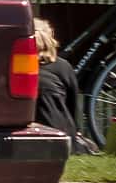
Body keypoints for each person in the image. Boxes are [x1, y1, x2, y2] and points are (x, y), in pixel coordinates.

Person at [34, 19, 91, 151]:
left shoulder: (14, 69)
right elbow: (72, 109)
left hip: (27, 138)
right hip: (64, 139)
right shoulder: (63, 67)